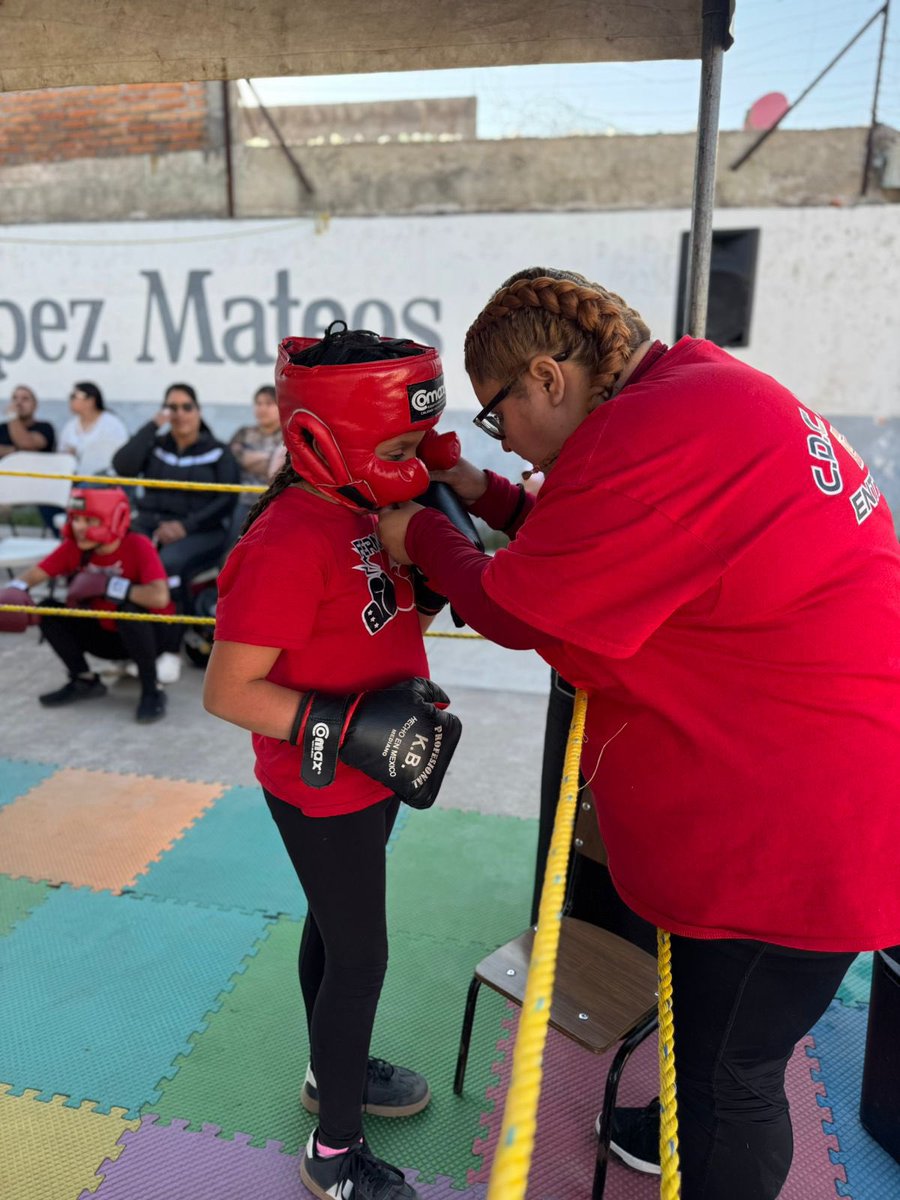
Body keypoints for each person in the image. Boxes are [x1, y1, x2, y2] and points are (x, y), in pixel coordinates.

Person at [377, 268, 900, 1200]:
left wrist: (418, 532)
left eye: (500, 418)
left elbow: (520, 601)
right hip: (827, 782)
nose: (511, 443)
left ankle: (701, 1147)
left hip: (798, 831)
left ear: (546, 378)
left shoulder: (649, 438)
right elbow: (600, 538)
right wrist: (476, 487)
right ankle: (673, 1127)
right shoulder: (696, 390)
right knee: (708, 1042)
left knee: (730, 1077)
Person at [203, 324, 463, 1200]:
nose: (411, 459)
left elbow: (377, 619)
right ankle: (334, 1155)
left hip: (376, 770)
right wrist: (348, 727)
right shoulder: (286, 540)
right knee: (361, 957)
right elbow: (230, 690)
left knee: (332, 927)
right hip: (323, 787)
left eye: (416, 443)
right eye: (397, 444)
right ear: (328, 437)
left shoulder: (362, 505)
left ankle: (327, 1076)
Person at [0, 487, 172, 723]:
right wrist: (12, 592)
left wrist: (111, 586)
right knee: (48, 610)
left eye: (89, 520)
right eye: (76, 518)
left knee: (130, 613)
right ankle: (84, 680)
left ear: (115, 519)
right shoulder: (76, 547)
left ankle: (152, 691)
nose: (79, 527)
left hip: (149, 637)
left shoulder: (137, 545)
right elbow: (35, 574)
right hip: (104, 634)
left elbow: (160, 597)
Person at [111, 384, 239, 622]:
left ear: (198, 411)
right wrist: (153, 426)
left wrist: (185, 526)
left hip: (201, 530)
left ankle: (172, 636)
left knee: (167, 563)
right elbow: (122, 465)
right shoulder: (156, 446)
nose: (180, 414)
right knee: (117, 554)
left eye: (186, 407)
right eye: (172, 408)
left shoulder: (218, 452)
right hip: (150, 524)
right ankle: (123, 629)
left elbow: (227, 500)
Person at [224, 384, 283, 550]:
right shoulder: (244, 433)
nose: (262, 408)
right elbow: (234, 458)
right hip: (245, 501)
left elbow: (281, 471)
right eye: (258, 403)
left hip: (276, 502)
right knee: (234, 547)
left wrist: (252, 458)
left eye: (269, 403)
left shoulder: (288, 434)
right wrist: (272, 457)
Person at [58, 382, 128, 477]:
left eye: (75, 396)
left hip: (105, 479)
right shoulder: (70, 426)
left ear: (91, 400)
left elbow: (121, 455)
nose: (71, 400)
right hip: (75, 478)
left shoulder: (112, 423)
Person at [0, 385, 57, 457]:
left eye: (25, 399)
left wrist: (12, 416)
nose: (18, 403)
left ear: (35, 405)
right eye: (15, 398)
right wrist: (17, 450)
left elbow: (27, 445)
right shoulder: (2, 428)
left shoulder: (46, 427)